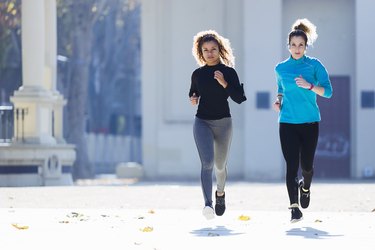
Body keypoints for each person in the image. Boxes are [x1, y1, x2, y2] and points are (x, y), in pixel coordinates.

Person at [273, 18, 333, 223]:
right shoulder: (280, 69)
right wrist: (278, 101)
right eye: (293, 45)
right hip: (287, 122)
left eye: (301, 45)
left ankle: (305, 187)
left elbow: (328, 92)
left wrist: (309, 86)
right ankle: (294, 208)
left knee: (306, 166)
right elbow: (281, 90)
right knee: (291, 165)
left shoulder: (314, 65)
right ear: (288, 46)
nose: (297, 49)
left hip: (309, 122)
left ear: (306, 46)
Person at [189, 30, 246, 220]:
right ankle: (207, 205)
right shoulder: (197, 74)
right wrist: (193, 98)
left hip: (223, 123)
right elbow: (193, 92)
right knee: (207, 163)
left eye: (213, 49)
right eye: (205, 50)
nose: (210, 53)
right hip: (202, 122)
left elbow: (239, 98)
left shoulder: (228, 72)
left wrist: (224, 83)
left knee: (220, 166)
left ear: (220, 50)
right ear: (200, 52)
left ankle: (220, 194)